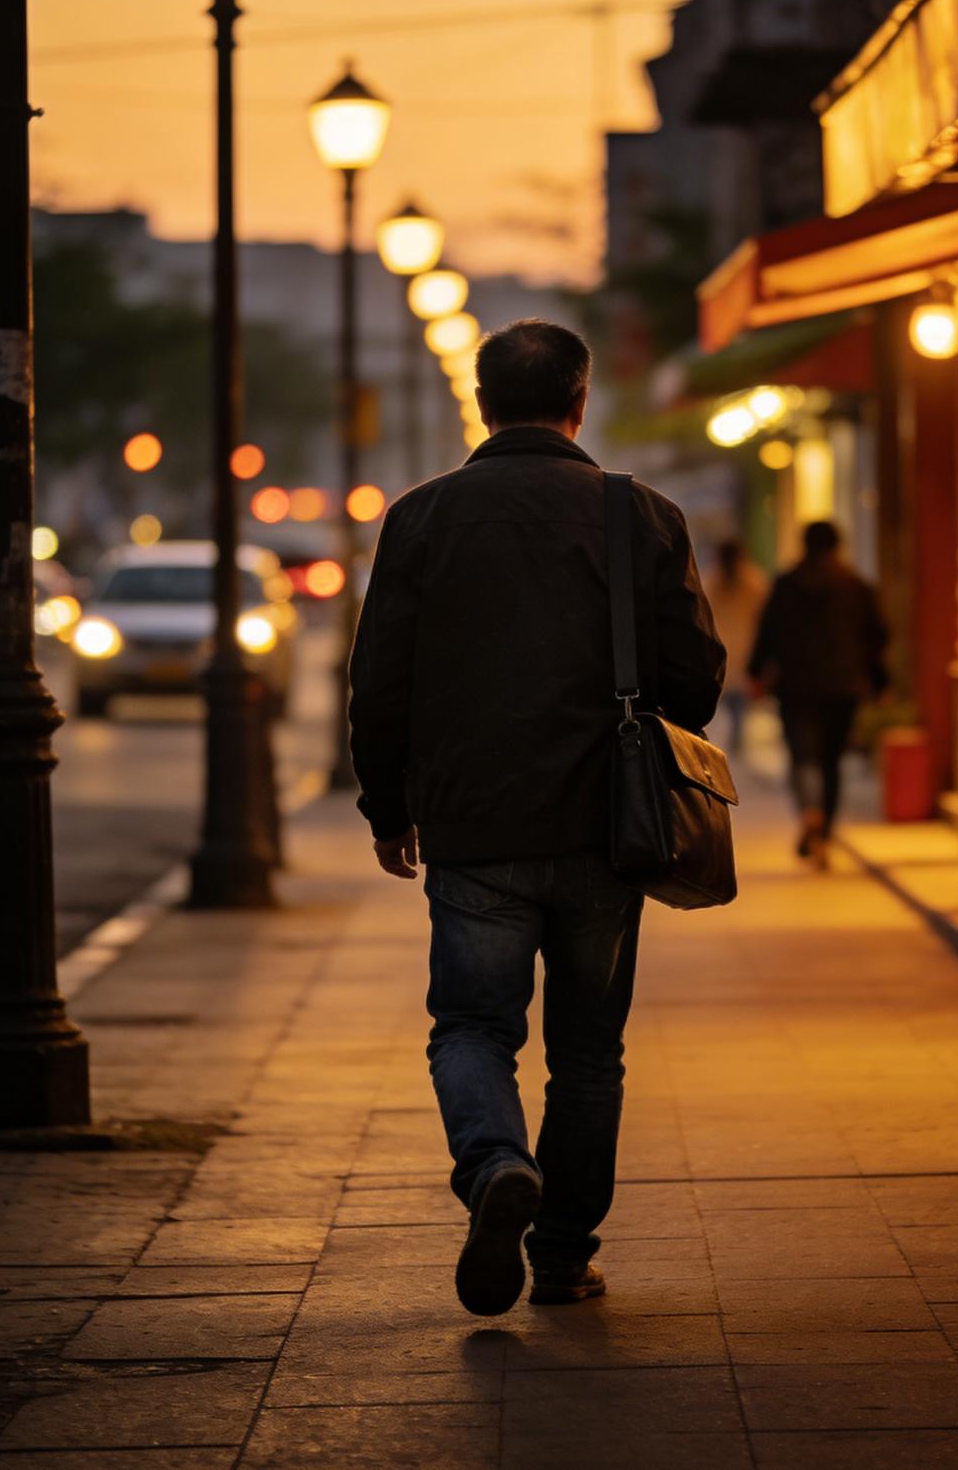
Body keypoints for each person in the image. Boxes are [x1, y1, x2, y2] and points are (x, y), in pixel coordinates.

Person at [349, 318, 725, 1317]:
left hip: (473, 824)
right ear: (580, 399)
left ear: (480, 401)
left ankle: (493, 1167)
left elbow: (377, 682)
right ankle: (562, 1255)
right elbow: (695, 678)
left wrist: (388, 805)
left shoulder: (421, 518)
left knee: (471, 1024)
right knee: (588, 1052)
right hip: (605, 823)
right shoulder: (634, 513)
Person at [748, 519, 888, 868]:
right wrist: (879, 681)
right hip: (843, 686)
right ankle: (824, 833)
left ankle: (808, 810)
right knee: (831, 762)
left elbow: (768, 633)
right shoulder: (856, 586)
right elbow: (877, 637)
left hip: (795, 686)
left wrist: (756, 672)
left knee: (801, 756)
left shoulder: (785, 584)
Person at [702, 538, 769, 757]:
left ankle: (735, 732)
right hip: (746, 648)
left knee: (730, 697)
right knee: (737, 698)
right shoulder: (755, 582)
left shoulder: (710, 581)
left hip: (721, 647)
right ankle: (737, 732)